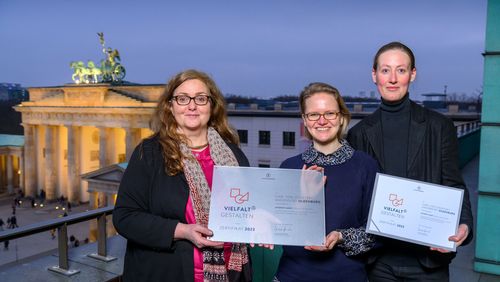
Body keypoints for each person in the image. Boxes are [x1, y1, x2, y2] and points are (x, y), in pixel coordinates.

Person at [347, 41, 473, 281]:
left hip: (427, 261)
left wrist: (464, 224)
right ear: (374, 75)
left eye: (401, 70)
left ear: (412, 74)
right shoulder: (359, 133)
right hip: (378, 262)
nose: (393, 78)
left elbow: (454, 184)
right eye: (385, 70)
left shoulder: (439, 126)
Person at [113, 69, 252, 282]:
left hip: (231, 273)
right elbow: (124, 217)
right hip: (166, 274)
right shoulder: (149, 153)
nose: (192, 106)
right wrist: (181, 230)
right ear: (170, 105)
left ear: (212, 106)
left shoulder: (234, 154)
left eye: (201, 98)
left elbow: (248, 208)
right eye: (182, 98)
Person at [274, 82, 379, 282]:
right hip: (292, 276)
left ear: (341, 118)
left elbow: (378, 233)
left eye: (330, 113)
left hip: (347, 277)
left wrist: (341, 237)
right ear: (305, 120)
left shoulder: (366, 166)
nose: (322, 121)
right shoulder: (289, 167)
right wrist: (303, 199)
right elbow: (281, 230)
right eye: (313, 114)